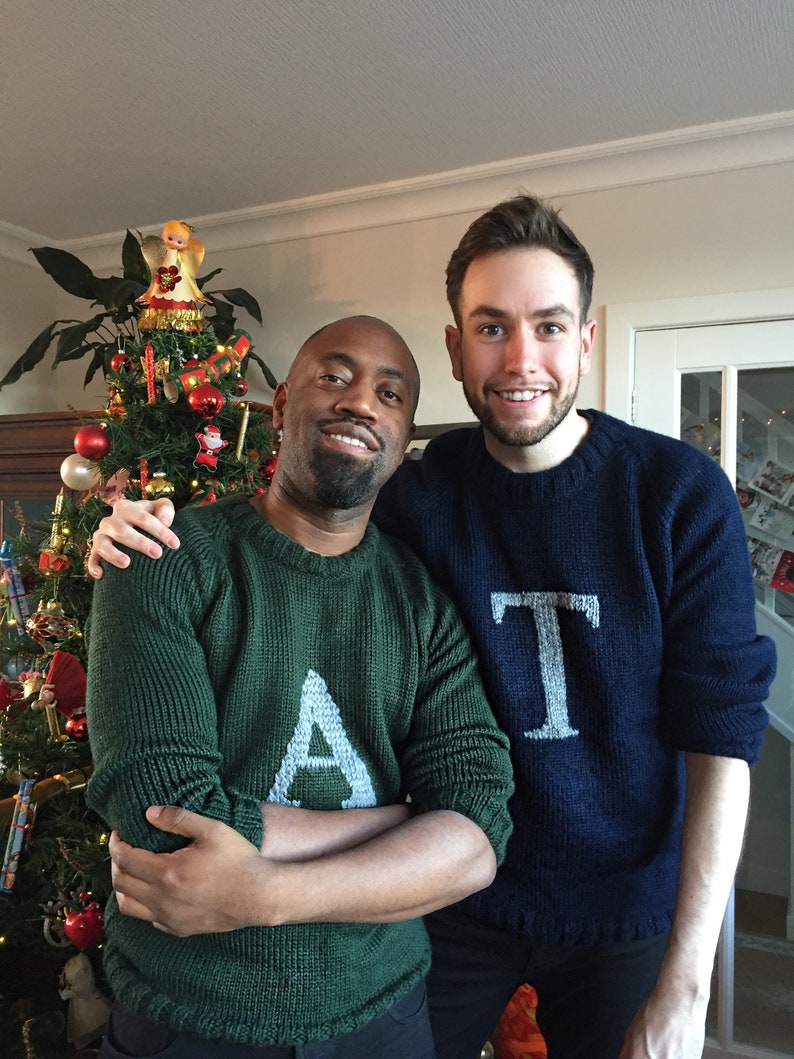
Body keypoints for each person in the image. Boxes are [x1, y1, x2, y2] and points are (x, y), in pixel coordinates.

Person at [89, 197, 776, 1059]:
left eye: (550, 326)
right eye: (492, 327)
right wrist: (123, 534)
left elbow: (724, 736)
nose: (521, 358)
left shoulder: (678, 494)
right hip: (446, 906)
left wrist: (689, 980)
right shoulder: (418, 494)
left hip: (621, 908)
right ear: (456, 348)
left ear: (587, 342)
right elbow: (294, 535)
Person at [84, 315, 515, 1059]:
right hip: (191, 1021)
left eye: (390, 392)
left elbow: (479, 833)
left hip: (386, 1018)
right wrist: (409, 819)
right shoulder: (163, 561)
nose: (360, 401)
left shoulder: (423, 606)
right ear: (280, 406)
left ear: (404, 439)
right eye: (335, 376)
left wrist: (261, 893)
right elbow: (167, 815)